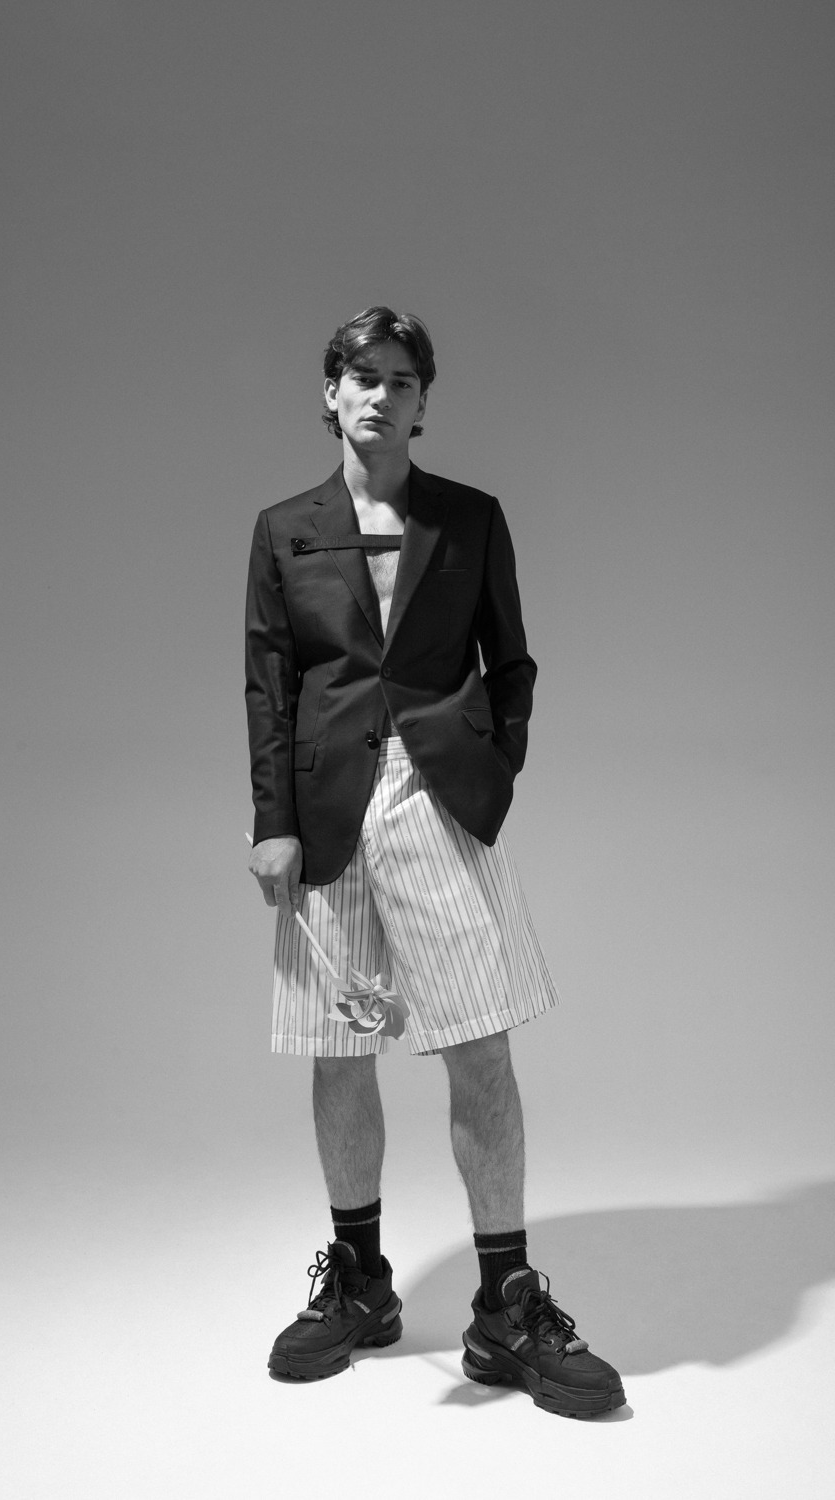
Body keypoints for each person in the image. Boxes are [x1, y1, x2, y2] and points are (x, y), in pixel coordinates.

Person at [245, 306, 625, 1417]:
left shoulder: (469, 518)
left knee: (480, 1048)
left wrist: (488, 769)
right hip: (323, 812)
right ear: (330, 393)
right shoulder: (283, 530)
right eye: (361, 376)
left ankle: (506, 1307)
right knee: (337, 1051)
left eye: (400, 380)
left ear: (422, 402)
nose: (379, 394)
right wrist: (271, 819)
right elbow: (269, 686)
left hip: (436, 800)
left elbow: (512, 662)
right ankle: (359, 1282)